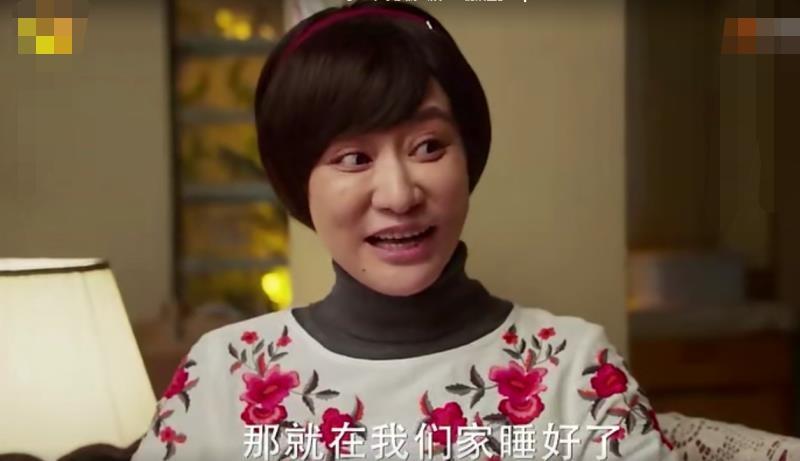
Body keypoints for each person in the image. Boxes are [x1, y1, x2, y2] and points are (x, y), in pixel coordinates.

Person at [132, 2, 676, 460]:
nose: (399, 195)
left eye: (429, 147)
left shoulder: (573, 368)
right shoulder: (226, 373)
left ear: (467, 158)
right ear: (300, 184)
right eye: (353, 157)